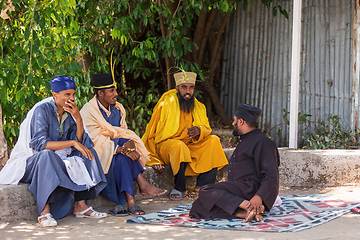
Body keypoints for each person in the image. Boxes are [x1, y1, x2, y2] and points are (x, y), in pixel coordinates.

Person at [0, 75, 107, 227]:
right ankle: (44, 212)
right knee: (46, 155)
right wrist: (72, 143)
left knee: (88, 153)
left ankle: (81, 206)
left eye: (73, 94)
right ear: (55, 95)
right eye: (67, 95)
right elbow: (40, 144)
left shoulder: (70, 113)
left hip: (58, 159)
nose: (71, 98)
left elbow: (82, 142)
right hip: (34, 162)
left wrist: (78, 119)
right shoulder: (41, 111)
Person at [80, 74, 167, 216]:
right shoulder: (88, 111)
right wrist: (119, 147)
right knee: (122, 148)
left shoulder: (118, 109)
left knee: (123, 156)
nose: (116, 94)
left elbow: (124, 133)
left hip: (118, 160)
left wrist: (130, 143)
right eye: (112, 91)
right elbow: (93, 141)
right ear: (100, 93)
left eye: (115, 90)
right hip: (101, 160)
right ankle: (142, 184)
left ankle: (131, 201)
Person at [141, 71, 228, 200]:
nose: (188, 91)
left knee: (213, 140)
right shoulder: (166, 103)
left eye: (191, 87)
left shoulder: (199, 106)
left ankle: (203, 185)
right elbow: (151, 132)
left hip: (190, 145)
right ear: (177, 88)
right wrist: (153, 159)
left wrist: (199, 130)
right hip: (167, 146)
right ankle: (179, 187)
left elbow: (206, 128)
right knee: (178, 146)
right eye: (184, 87)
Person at [189, 103, 280, 222]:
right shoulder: (245, 139)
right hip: (239, 189)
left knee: (206, 190)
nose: (233, 123)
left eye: (234, 120)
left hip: (250, 189)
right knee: (198, 207)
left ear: (241, 121)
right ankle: (247, 211)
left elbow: (271, 175)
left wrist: (259, 196)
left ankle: (250, 205)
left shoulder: (263, 142)